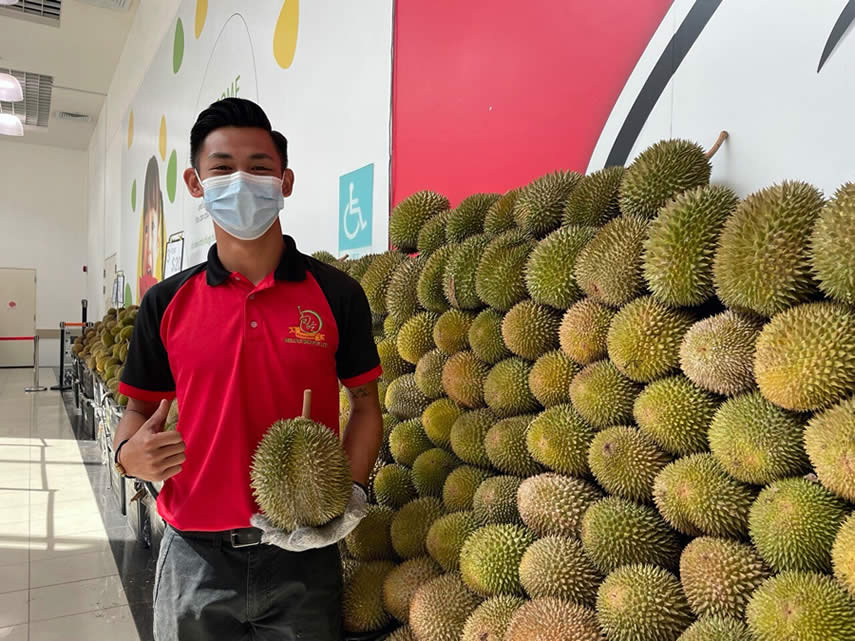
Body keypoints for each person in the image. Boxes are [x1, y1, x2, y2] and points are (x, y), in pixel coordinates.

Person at [114, 97, 383, 641]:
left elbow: (366, 405)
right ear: (195, 182)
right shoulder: (166, 302)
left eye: (259, 167)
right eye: (222, 168)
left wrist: (347, 492)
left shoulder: (336, 294)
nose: (242, 180)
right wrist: (127, 456)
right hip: (195, 556)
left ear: (284, 181)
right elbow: (138, 409)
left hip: (304, 555)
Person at [138, 155, 166, 300]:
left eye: (154, 227)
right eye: (146, 229)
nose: (148, 241)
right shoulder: (144, 285)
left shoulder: (162, 288)